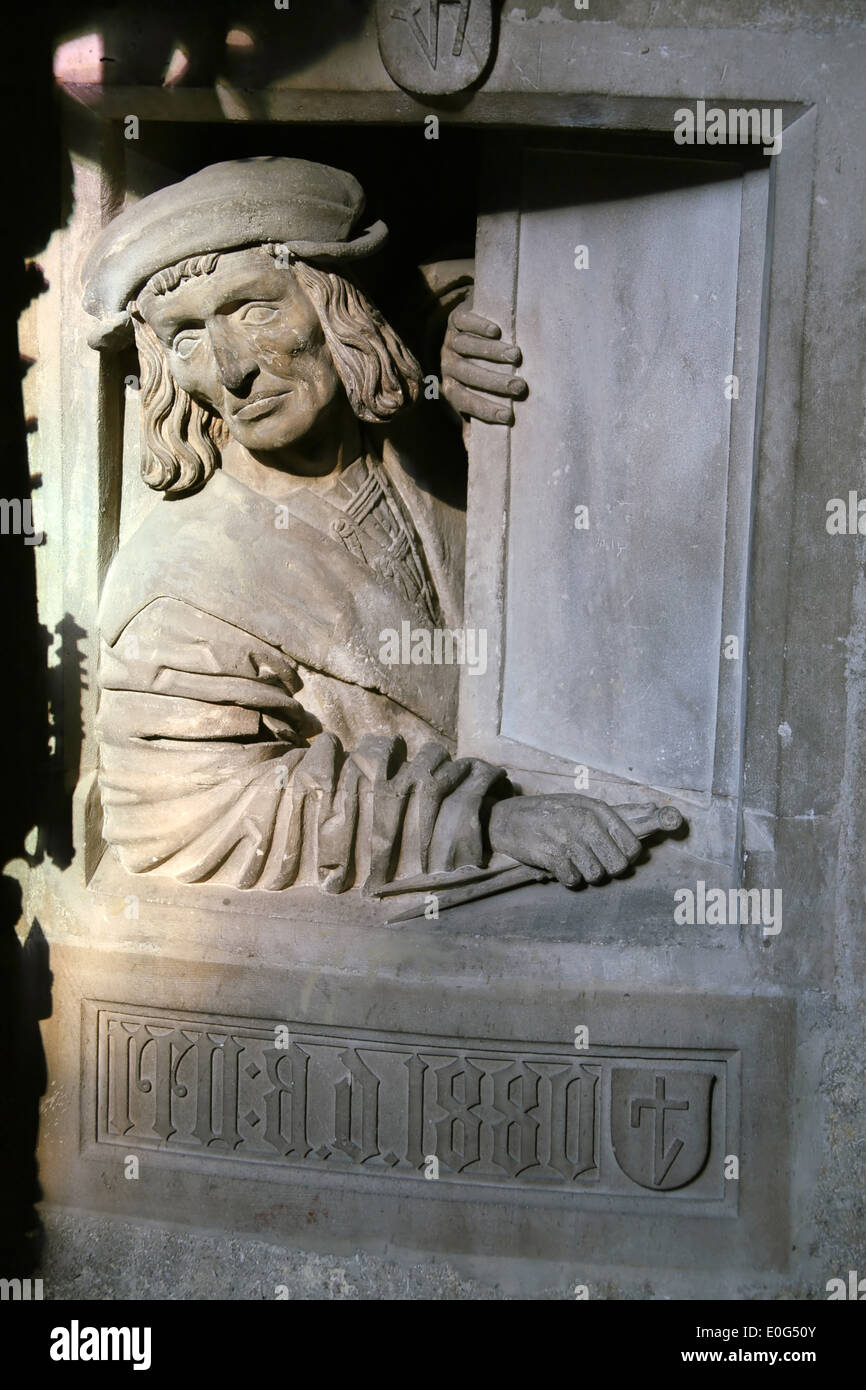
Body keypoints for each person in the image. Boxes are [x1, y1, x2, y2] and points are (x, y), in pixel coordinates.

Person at [82, 156, 645, 896]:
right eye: (186, 338)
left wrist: (444, 325)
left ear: (333, 304)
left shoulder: (426, 436)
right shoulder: (181, 582)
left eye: (254, 310)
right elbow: (190, 814)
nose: (232, 369)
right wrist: (482, 823)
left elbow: (539, 298)